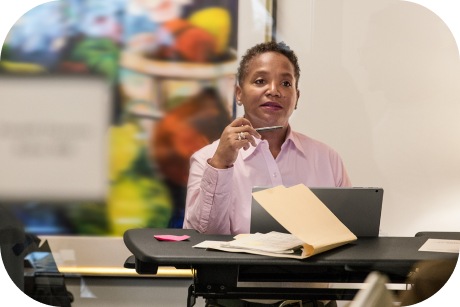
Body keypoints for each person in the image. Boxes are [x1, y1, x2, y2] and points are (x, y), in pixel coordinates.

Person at [183, 41, 351, 237]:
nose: (274, 91)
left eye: (286, 83)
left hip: (312, 268)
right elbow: (200, 238)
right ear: (239, 94)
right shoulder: (207, 159)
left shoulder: (327, 159)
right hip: (239, 267)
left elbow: (349, 235)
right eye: (260, 81)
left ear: (297, 97)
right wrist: (221, 165)